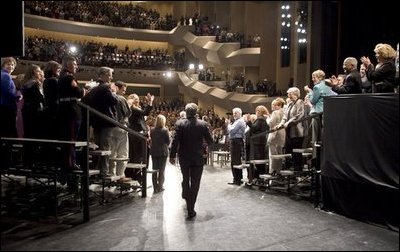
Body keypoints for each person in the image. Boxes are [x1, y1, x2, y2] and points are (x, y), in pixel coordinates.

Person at [169, 103, 213, 219]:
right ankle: (191, 208)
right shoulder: (203, 124)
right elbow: (210, 140)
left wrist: (172, 156)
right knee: (195, 183)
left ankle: (185, 194)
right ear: (196, 112)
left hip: (184, 157)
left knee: (185, 178)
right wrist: (206, 147)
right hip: (198, 158)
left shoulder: (179, 123)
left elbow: (175, 141)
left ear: (186, 112)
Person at [150, 114, 170, 193]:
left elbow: (151, 138)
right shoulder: (165, 130)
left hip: (154, 151)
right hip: (163, 152)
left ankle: (155, 187)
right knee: (162, 170)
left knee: (154, 170)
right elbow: (168, 141)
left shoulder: (152, 130)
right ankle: (160, 186)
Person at [226, 107, 246, 185]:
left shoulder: (239, 122)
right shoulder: (237, 121)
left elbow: (231, 131)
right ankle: (237, 179)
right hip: (236, 141)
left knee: (235, 161)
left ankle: (237, 179)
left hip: (236, 142)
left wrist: (228, 124)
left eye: (236, 113)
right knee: (235, 161)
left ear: (240, 114)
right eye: (233, 113)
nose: (234, 114)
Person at [1, 57, 20, 138]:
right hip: (7, 107)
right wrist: (18, 96)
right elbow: (8, 93)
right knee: (9, 131)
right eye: (8, 64)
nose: (11, 66)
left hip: (3, 106)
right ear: (3, 65)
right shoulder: (6, 76)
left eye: (12, 65)